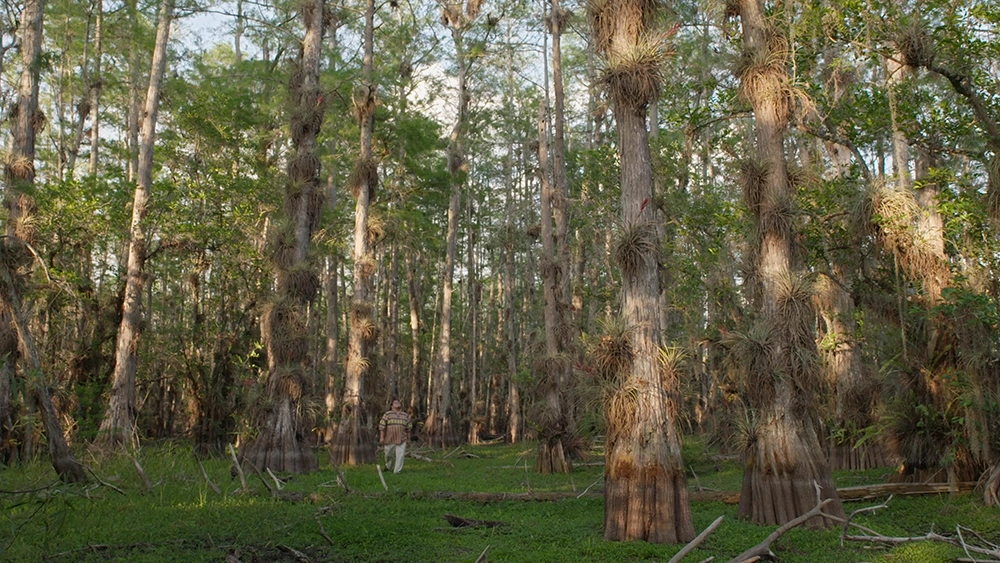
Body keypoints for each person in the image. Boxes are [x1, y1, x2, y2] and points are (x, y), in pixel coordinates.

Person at [378, 399, 412, 473]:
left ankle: (397, 471)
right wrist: (382, 437)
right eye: (395, 403)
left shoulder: (405, 415)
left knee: (400, 455)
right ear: (392, 406)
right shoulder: (387, 414)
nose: (397, 404)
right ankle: (388, 466)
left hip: (402, 439)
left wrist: (409, 440)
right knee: (388, 454)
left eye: (398, 402)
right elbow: (382, 426)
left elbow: (408, 429)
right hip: (389, 439)